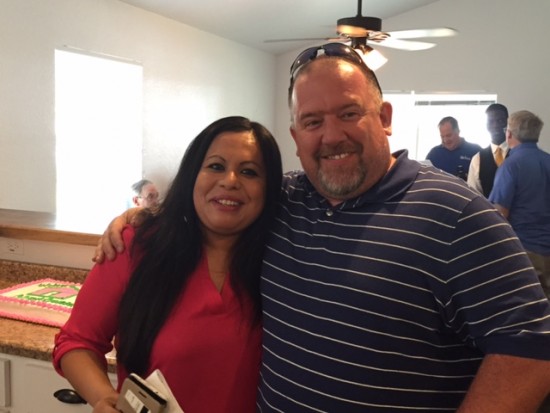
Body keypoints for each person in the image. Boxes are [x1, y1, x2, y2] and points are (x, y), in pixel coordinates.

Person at [96, 44, 550, 412]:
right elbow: (214, 204)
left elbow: (531, 347)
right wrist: (141, 217)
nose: (331, 135)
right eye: (312, 121)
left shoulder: (456, 212)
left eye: (349, 114)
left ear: (385, 118)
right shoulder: (282, 199)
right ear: (294, 136)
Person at [53, 116, 283, 413]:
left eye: (249, 172)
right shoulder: (135, 246)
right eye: (215, 166)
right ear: (192, 175)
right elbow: (77, 342)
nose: (230, 181)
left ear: (269, 190)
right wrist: (102, 397)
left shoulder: (282, 262)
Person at [489, 110, 550, 301]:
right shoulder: (548, 161)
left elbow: (499, 213)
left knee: (528, 309)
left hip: (525, 251)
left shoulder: (511, 165)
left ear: (509, 134)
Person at [467, 103, 509, 197]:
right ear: (486, 125)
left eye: (500, 120)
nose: (495, 125)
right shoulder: (477, 159)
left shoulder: (519, 154)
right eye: (491, 121)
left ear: (507, 122)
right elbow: (474, 196)